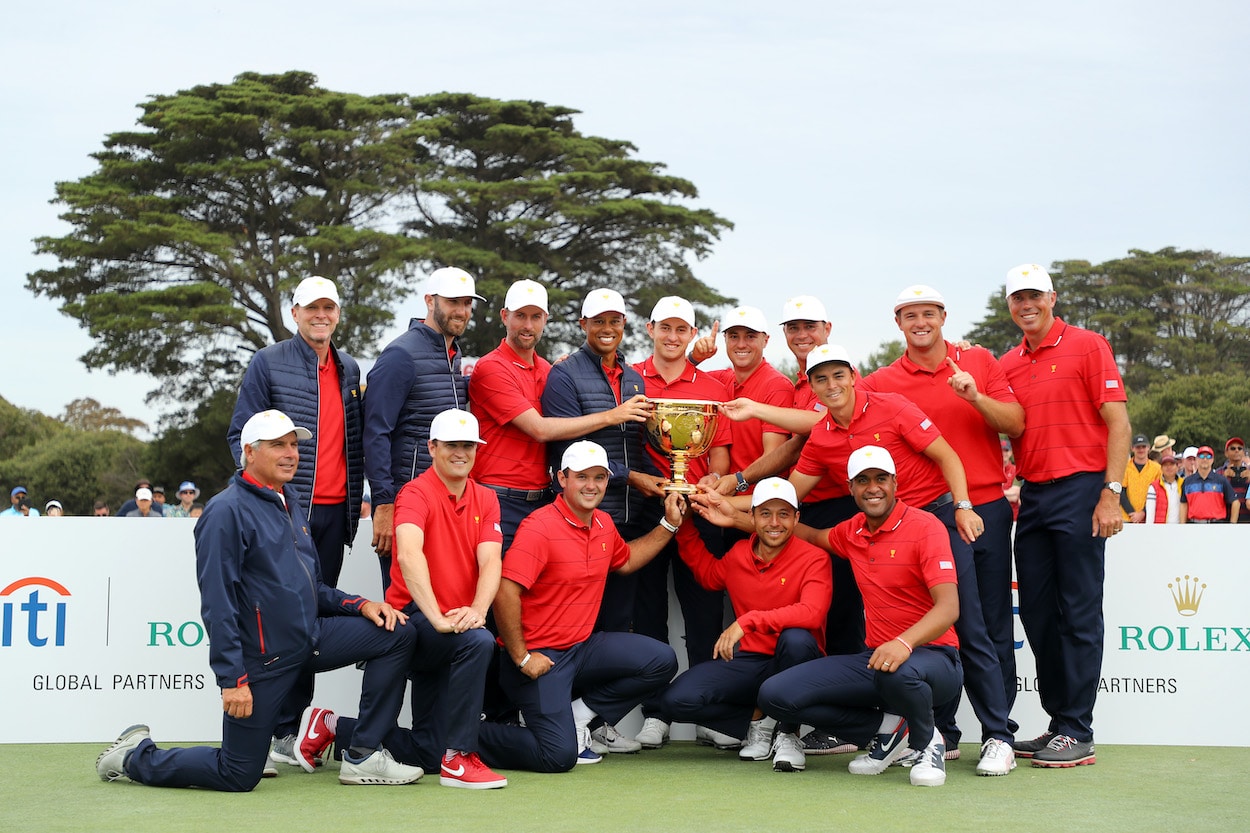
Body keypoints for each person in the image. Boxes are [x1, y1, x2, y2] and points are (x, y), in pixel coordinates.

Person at [96, 410, 420, 791]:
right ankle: (135, 755)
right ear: (249, 452)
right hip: (264, 661)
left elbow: (312, 589)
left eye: (294, 445)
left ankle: (362, 754)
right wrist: (233, 679)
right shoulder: (224, 511)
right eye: (278, 445)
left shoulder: (288, 499)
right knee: (237, 773)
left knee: (397, 632)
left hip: (310, 639)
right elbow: (219, 605)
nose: (291, 453)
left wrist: (362, 605)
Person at [857, 284, 1021, 775]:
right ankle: (942, 732)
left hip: (980, 507)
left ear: (943, 316)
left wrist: (974, 395)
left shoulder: (978, 362)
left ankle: (997, 733)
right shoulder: (883, 379)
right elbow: (834, 419)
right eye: (910, 315)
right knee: (934, 628)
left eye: (928, 313)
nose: (920, 322)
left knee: (985, 626)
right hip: (920, 520)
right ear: (899, 323)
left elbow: (1016, 422)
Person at [301, 409, 508, 789]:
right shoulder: (414, 492)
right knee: (478, 643)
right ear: (432, 447)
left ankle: (332, 726)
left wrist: (478, 611)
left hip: (455, 626)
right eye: (451, 445)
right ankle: (460, 758)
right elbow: (409, 556)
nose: (461, 452)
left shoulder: (486, 498)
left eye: (468, 445)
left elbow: (491, 559)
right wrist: (440, 618)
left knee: (427, 754)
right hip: (415, 623)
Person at [750, 446, 962, 787]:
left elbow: (949, 608)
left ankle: (927, 743)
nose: (872, 488)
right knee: (775, 694)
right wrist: (735, 517)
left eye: (880, 479)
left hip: (935, 660)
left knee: (898, 672)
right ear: (850, 488)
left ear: (895, 482)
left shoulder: (926, 526)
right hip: (876, 662)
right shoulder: (854, 531)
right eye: (862, 481)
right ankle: (887, 732)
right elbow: (814, 536)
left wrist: (903, 643)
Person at [476, 441, 683, 772]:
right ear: (562, 478)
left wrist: (669, 525)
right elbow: (504, 591)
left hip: (582, 649)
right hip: (540, 656)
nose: (591, 486)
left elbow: (625, 560)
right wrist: (522, 657)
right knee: (557, 757)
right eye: (582, 477)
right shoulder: (539, 527)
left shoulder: (602, 522)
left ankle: (578, 717)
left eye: (599, 478)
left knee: (660, 661)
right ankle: (462, 732)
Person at [998, 263, 1130, 768]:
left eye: (1034, 295)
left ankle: (1078, 728)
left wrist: (1110, 493)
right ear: (1010, 306)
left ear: (1052, 298)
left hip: (1081, 489)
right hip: (1033, 495)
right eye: (1017, 298)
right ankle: (1060, 723)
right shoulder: (1008, 363)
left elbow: (1117, 422)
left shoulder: (1089, 345)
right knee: (1034, 611)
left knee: (1078, 611)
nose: (1026, 305)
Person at [661, 477, 831, 771]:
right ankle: (759, 721)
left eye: (784, 514)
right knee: (676, 700)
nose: (774, 522)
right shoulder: (739, 553)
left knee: (796, 639)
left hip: (797, 661)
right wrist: (684, 525)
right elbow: (708, 574)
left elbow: (812, 613)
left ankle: (788, 732)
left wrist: (748, 621)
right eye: (765, 513)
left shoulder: (814, 557)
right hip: (753, 662)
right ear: (752, 516)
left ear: (796, 518)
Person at [469, 279, 650, 550]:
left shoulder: (548, 370)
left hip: (541, 500)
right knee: (501, 590)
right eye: (520, 316)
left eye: (535, 317)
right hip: (498, 501)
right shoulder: (491, 368)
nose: (528, 326)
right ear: (504, 316)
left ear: (545, 319)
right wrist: (613, 415)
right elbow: (540, 429)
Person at [629, 296, 734, 750]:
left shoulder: (711, 386)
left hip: (699, 511)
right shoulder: (628, 377)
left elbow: (720, 453)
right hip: (645, 506)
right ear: (650, 328)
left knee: (705, 611)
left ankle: (708, 712)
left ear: (693, 335)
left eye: (682, 329)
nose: (673, 337)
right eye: (665, 328)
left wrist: (712, 482)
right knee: (647, 612)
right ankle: (656, 714)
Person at [229, 276, 364, 587]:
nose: (320, 315)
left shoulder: (350, 368)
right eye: (311, 307)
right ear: (295, 313)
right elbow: (240, 435)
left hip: (337, 510)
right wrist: (263, 498)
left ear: (338, 314)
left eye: (328, 307)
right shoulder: (267, 361)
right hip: (287, 506)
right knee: (282, 602)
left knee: (323, 604)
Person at [539, 288, 660, 633]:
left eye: (614, 321)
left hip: (630, 517)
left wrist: (659, 480)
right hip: (585, 519)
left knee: (621, 621)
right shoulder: (564, 375)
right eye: (598, 322)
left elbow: (637, 445)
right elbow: (566, 451)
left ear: (624, 324)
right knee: (583, 624)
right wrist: (631, 477)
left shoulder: (635, 379)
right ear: (583, 325)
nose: (607, 328)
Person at [364, 267, 480, 579]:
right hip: (407, 502)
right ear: (430, 301)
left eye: (467, 303)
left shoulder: (452, 353)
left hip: (443, 501)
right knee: (405, 606)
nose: (461, 311)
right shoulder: (400, 355)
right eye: (453, 302)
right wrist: (384, 504)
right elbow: (375, 432)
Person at [690, 306, 795, 496]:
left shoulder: (777, 386)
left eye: (750, 336)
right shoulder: (721, 379)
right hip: (721, 499)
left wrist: (737, 481)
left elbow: (774, 457)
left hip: (758, 504)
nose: (741, 344)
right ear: (725, 340)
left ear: (766, 340)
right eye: (734, 336)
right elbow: (679, 377)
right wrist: (694, 357)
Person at [1179, 445, 1237, 523]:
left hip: (1216, 525)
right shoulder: (1187, 482)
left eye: (1208, 456)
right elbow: (1184, 504)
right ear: (1197, 459)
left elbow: (1235, 502)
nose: (1205, 459)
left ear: (1212, 460)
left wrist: (1232, 525)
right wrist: (1182, 526)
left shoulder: (1221, 480)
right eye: (1201, 456)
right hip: (1193, 525)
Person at [1121, 434, 1161, 523]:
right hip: (1127, 517)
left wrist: (1143, 513)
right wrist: (1132, 513)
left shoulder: (1157, 468)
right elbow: (1121, 492)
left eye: (1144, 446)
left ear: (1148, 448)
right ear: (1132, 448)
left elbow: (1158, 493)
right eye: (1138, 447)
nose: (1141, 450)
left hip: (1148, 517)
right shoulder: (1125, 467)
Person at [1145, 448, 1183, 524]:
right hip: (1161, 530)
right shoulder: (1153, 487)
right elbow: (1150, 513)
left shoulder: (1184, 484)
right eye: (1165, 465)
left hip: (1179, 529)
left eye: (1171, 464)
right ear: (1161, 468)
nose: (1169, 467)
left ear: (1177, 467)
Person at [1219, 437, 1249, 524]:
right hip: (1226, 518)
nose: (1237, 450)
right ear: (1226, 453)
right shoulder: (1219, 472)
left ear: (1243, 452)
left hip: (1247, 518)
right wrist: (1224, 478)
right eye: (1233, 448)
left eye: (1240, 448)